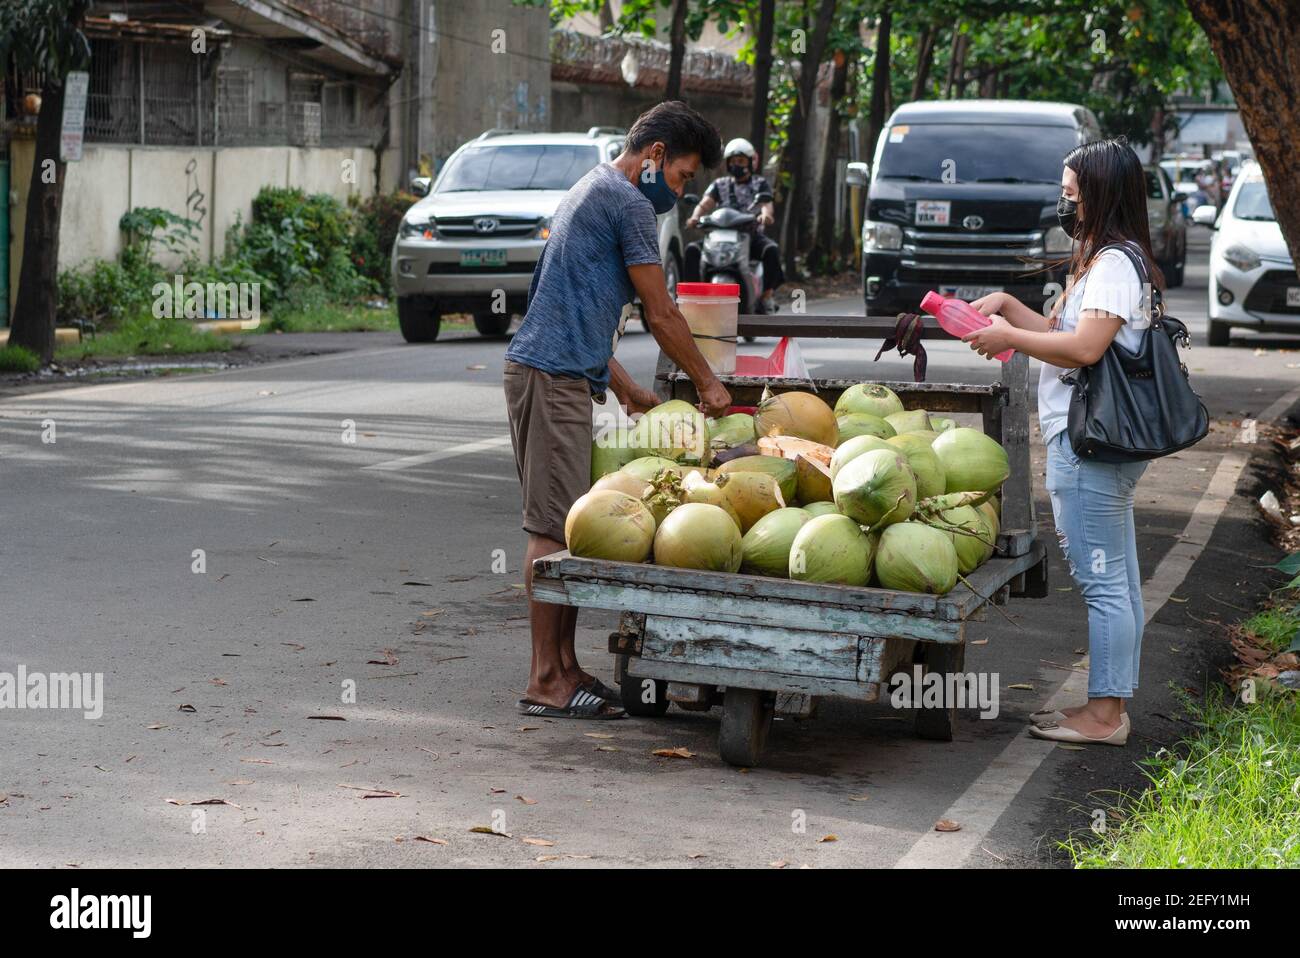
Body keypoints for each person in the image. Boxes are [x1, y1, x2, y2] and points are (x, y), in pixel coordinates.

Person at [503, 100, 731, 720]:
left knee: (571, 529)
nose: (680, 193)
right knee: (553, 531)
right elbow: (662, 314)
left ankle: (567, 666)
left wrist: (626, 387)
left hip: (558, 372)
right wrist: (709, 383)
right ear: (655, 155)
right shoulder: (629, 201)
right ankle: (545, 679)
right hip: (549, 379)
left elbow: (570, 309)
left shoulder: (594, 186)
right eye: (683, 177)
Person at [962, 137, 1162, 747]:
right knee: (1118, 580)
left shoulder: (1113, 266)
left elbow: (1082, 349)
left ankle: (1104, 716)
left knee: (1104, 583)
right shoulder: (1108, 261)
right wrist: (1007, 311)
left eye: (1072, 195)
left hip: (1090, 448)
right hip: (1100, 448)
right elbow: (1059, 330)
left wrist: (1010, 339)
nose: (1063, 204)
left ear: (1100, 195)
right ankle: (1109, 706)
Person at [683, 137, 784, 312]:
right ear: (728, 164)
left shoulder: (760, 183)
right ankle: (693, 297)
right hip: (719, 238)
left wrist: (765, 216)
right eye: (734, 161)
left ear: (751, 162)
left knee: (772, 251)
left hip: (750, 236)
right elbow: (705, 203)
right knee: (692, 250)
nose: (737, 164)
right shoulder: (719, 184)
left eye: (741, 161)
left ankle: (767, 295)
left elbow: (767, 204)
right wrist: (695, 217)